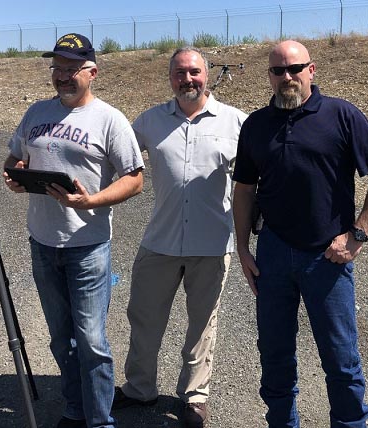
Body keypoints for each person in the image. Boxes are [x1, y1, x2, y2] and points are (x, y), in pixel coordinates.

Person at [232, 40, 368, 428]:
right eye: (278, 70)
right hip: (272, 252)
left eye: (295, 68)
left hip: (327, 257)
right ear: (269, 76)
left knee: (341, 358)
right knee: (274, 354)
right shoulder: (256, 125)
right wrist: (242, 247)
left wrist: (357, 235)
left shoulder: (342, 115)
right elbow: (244, 189)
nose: (287, 76)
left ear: (311, 69)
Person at [2, 33, 144, 428]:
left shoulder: (110, 120)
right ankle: (75, 410)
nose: (62, 76)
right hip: (42, 243)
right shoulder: (36, 112)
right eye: (57, 68)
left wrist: (91, 201)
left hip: (88, 247)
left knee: (92, 342)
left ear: (92, 72)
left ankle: (100, 420)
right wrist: (15, 175)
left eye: (71, 69)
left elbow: (135, 180)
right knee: (60, 338)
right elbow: (14, 159)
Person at [111, 47, 247, 428]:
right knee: (143, 318)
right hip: (161, 241)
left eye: (194, 72)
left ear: (207, 74)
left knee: (203, 325)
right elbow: (114, 156)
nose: (187, 79)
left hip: (212, 245)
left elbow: (259, 177)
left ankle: (194, 396)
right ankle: (140, 387)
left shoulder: (236, 122)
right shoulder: (149, 121)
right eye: (179, 73)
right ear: (170, 77)